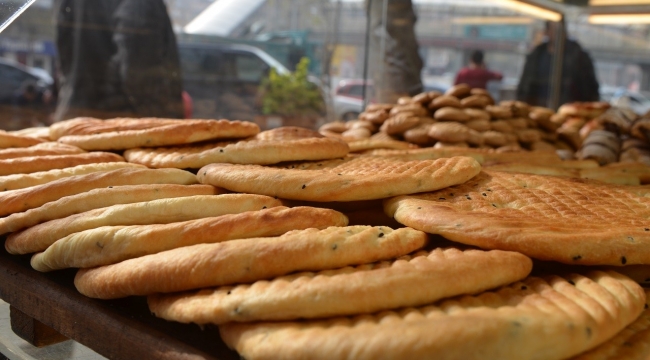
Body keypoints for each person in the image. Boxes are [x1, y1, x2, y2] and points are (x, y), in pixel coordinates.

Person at [53, 0, 184, 122]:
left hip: (77, 114)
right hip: (122, 124)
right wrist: (167, 122)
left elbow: (63, 48)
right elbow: (138, 73)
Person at [516, 21, 600, 107]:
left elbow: (590, 87)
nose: (558, 33)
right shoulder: (537, 55)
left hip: (570, 109)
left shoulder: (578, 55)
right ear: (547, 32)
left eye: (560, 30)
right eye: (554, 30)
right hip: (538, 107)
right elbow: (525, 83)